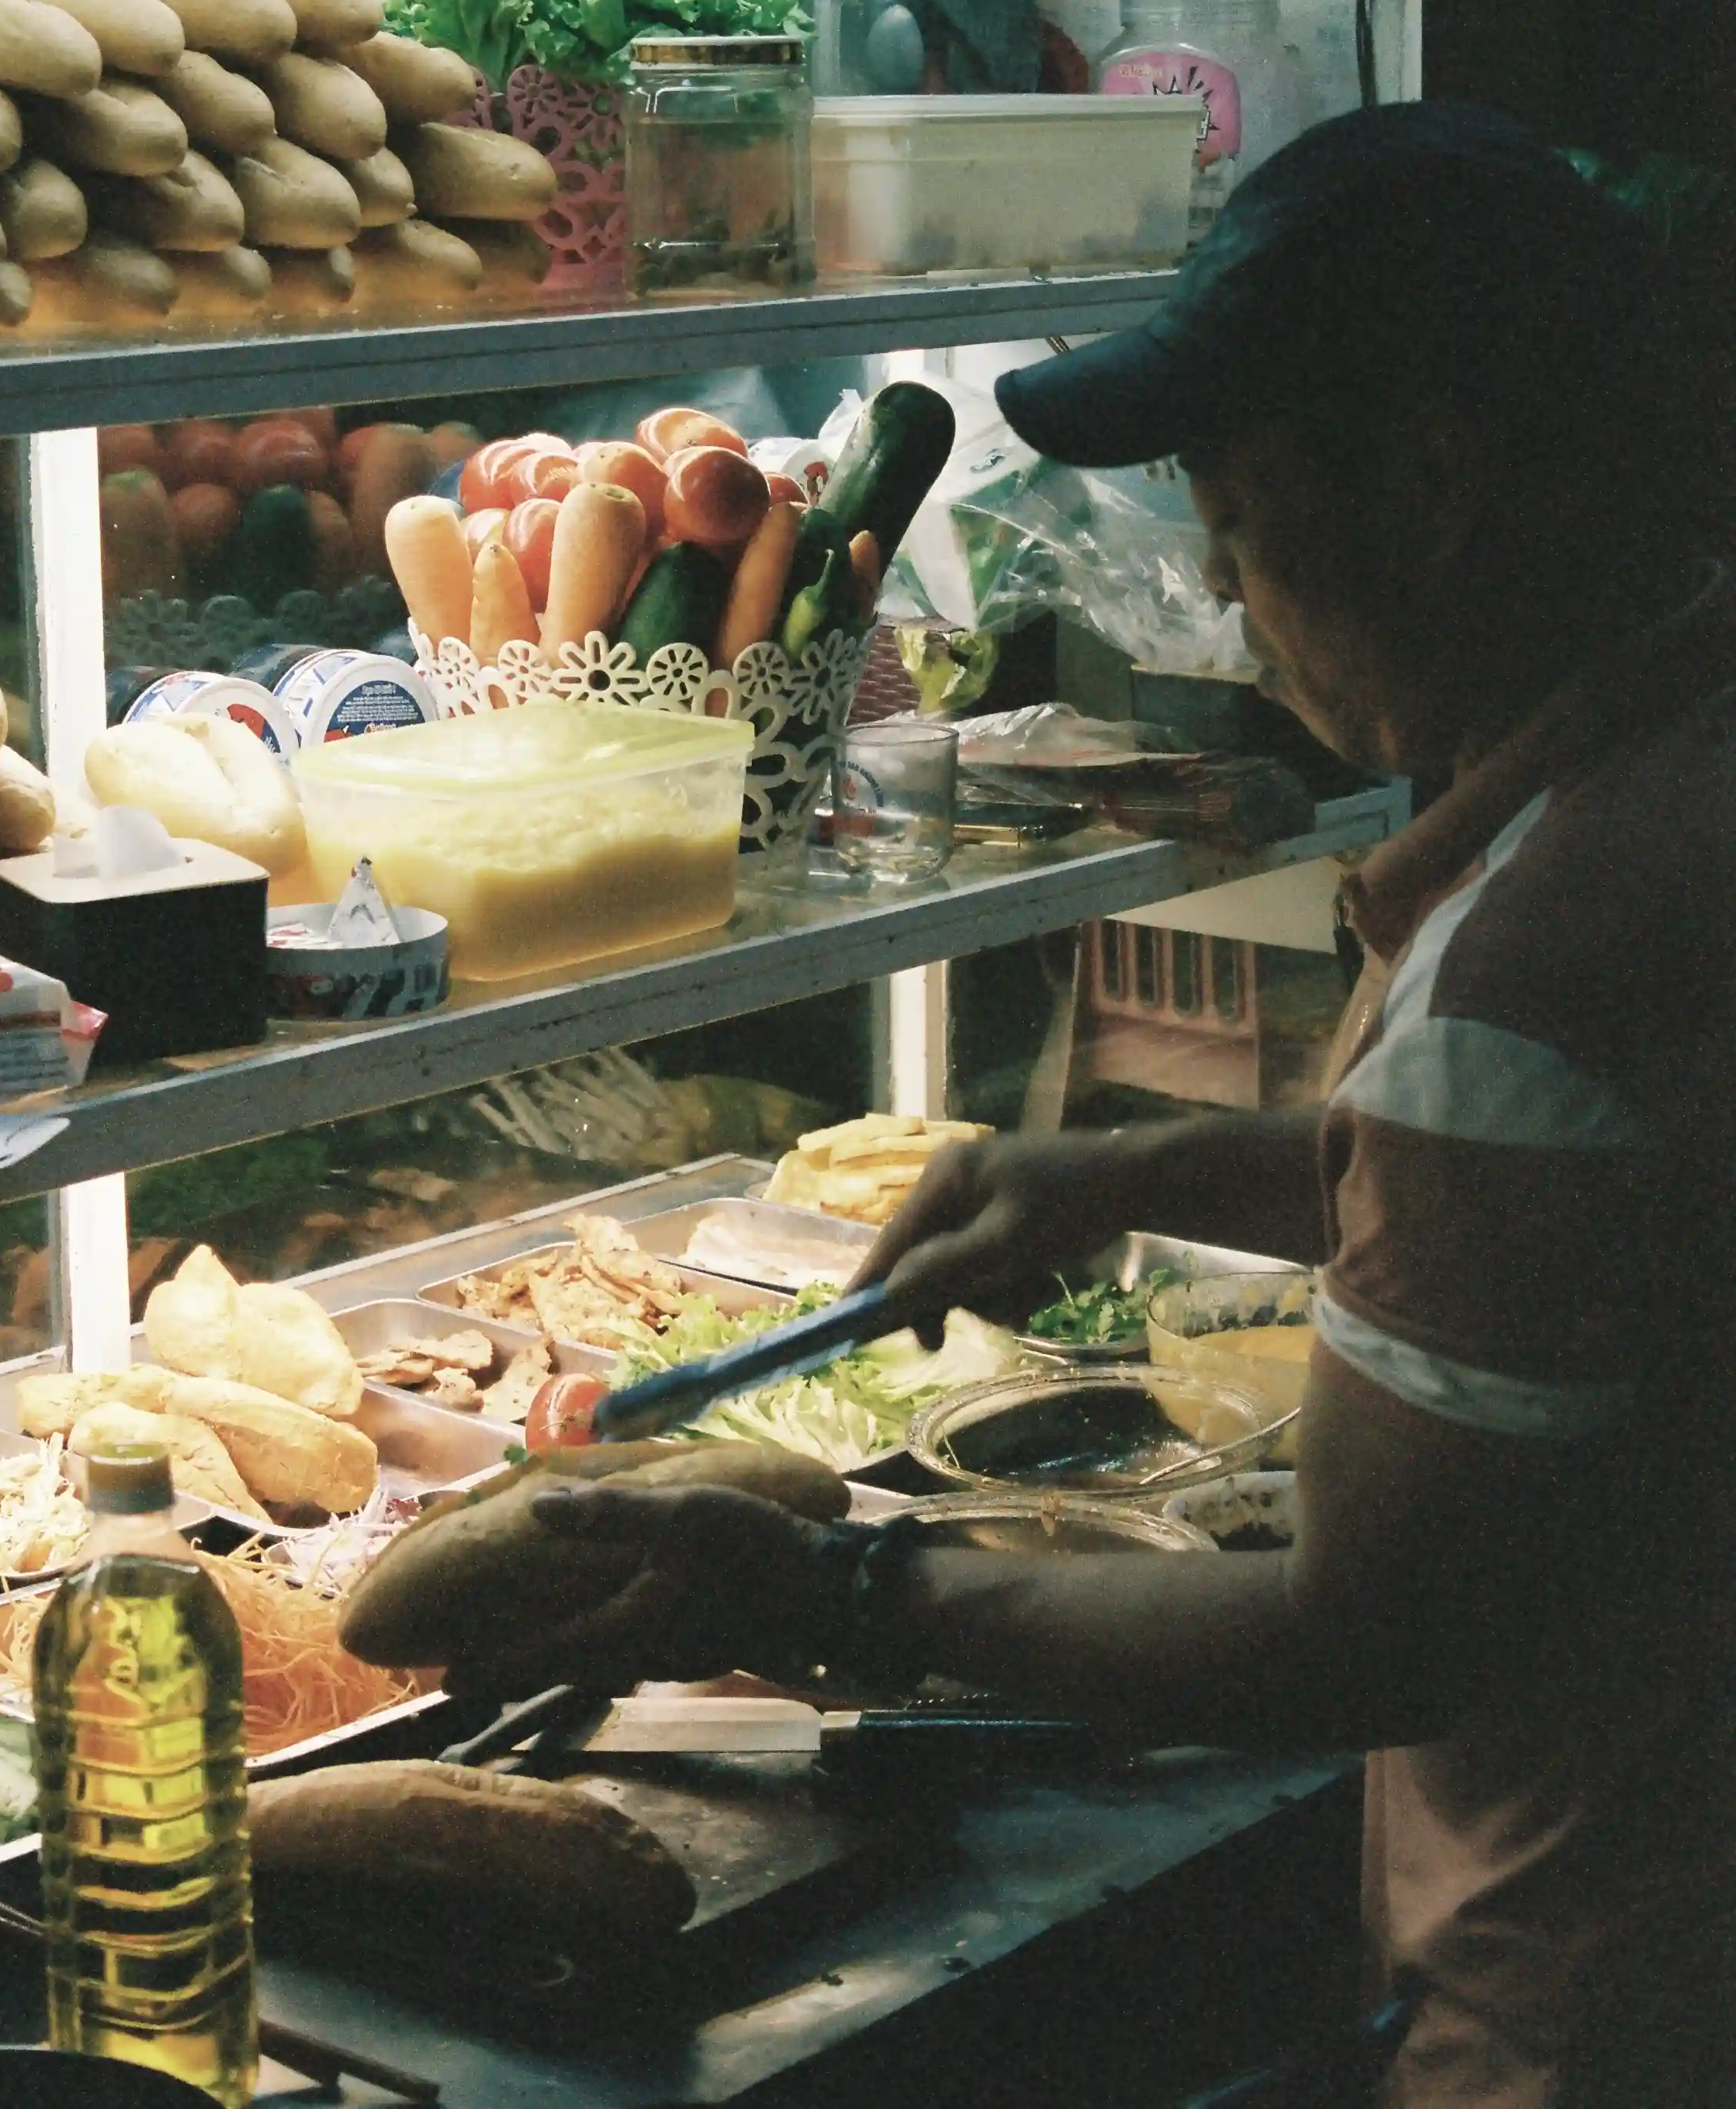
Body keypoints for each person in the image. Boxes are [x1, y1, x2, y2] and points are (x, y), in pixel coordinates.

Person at [455, 106, 1736, 2109]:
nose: (1217, 586)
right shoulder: (1680, 763)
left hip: (1598, 1999)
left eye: (1231, 499)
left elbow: (1358, 1636)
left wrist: (850, 1593)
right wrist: (1154, 1168)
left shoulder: (1535, 971)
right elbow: (1595, 1231)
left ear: (1436, 475)